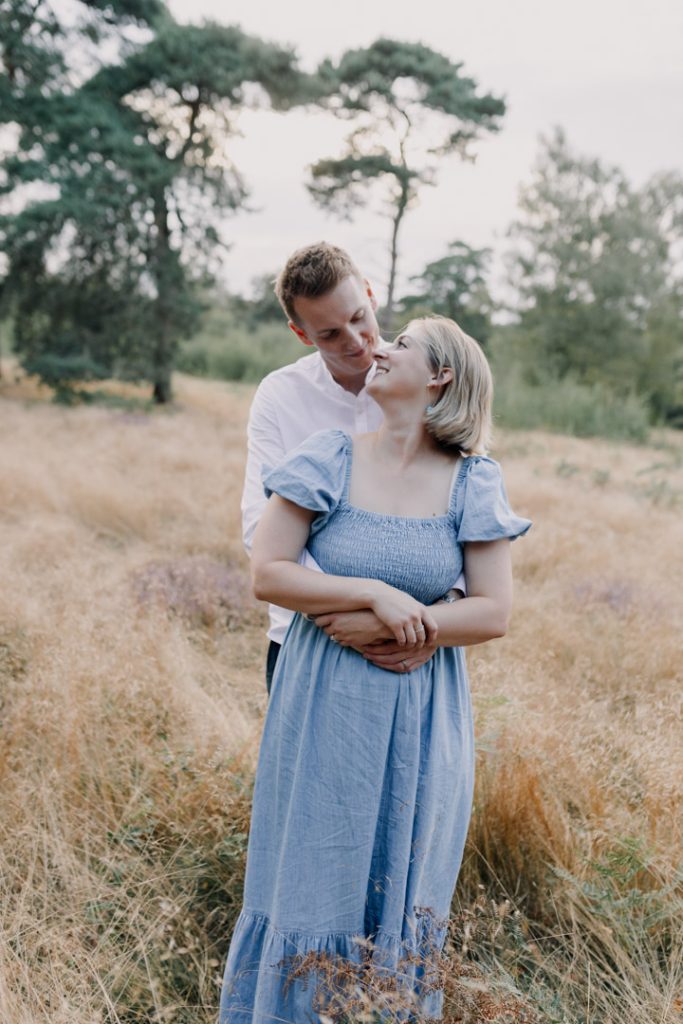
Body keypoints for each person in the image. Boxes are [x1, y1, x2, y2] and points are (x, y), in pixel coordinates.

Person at [220, 315, 531, 1022]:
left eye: (403, 344)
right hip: (321, 706)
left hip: (419, 715)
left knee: (398, 876)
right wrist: (372, 593)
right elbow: (267, 573)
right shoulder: (327, 455)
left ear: (440, 376)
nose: (380, 348)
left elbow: (491, 612)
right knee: (309, 875)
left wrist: (412, 625)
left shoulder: (471, 481)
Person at [241, 241, 464, 693]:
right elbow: (258, 529)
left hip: (413, 644)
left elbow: (460, 512)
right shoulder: (280, 397)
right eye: (330, 334)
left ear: (368, 292)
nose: (356, 340)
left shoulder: (422, 381)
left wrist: (427, 619)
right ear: (302, 334)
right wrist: (360, 606)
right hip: (304, 637)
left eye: (359, 317)